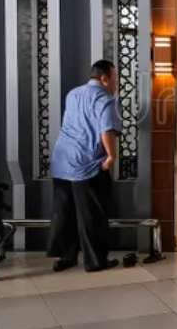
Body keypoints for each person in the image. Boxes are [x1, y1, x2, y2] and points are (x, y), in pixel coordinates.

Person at [47, 60, 121, 273]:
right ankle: (95, 261)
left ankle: (65, 257)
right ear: (104, 78)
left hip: (62, 160)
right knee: (92, 214)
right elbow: (106, 129)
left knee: (64, 211)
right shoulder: (105, 99)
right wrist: (111, 156)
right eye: (114, 79)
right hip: (86, 163)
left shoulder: (73, 94)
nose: (115, 84)